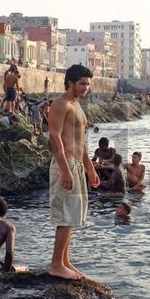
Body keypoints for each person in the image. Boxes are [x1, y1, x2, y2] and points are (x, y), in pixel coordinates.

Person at [47, 64, 100, 280]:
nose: (86, 87)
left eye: (88, 84)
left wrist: (90, 168)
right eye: (82, 83)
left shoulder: (77, 105)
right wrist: (65, 170)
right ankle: (56, 265)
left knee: (73, 215)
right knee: (65, 216)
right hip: (65, 164)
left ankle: (64, 261)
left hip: (76, 165)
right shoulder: (61, 104)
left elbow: (82, 141)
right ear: (70, 82)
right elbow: (54, 137)